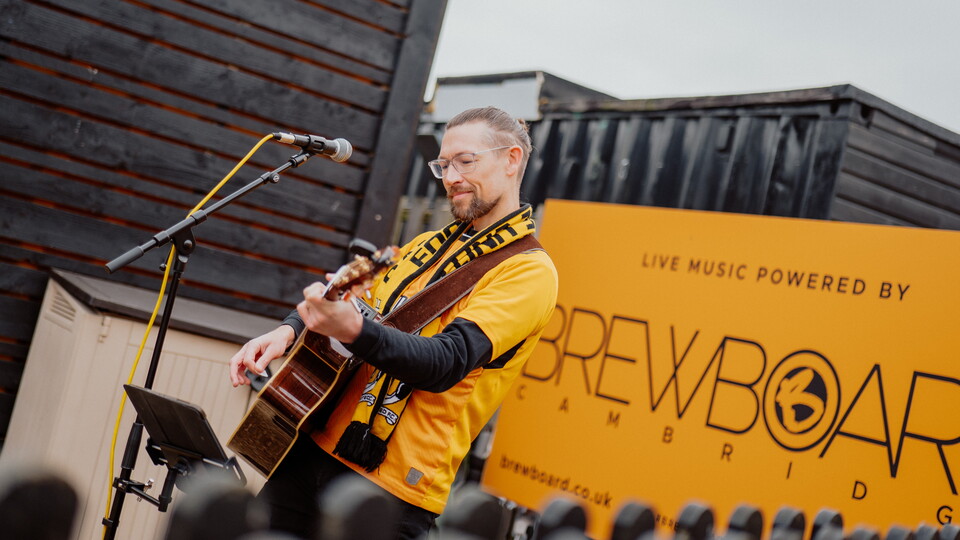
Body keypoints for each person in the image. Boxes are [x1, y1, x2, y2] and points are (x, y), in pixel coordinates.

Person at [228, 106, 558, 539]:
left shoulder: (529, 271)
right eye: (443, 164)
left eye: (465, 161)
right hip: (314, 444)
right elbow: (348, 295)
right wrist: (289, 329)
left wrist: (352, 330)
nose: (451, 177)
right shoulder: (423, 245)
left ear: (511, 159)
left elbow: (445, 362)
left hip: (396, 486)